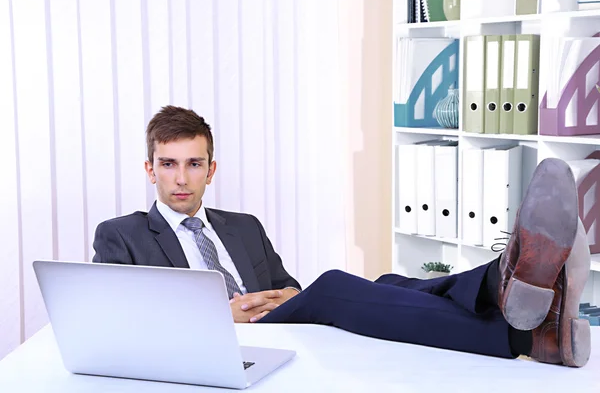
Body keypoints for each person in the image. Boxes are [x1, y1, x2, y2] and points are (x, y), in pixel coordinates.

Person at [259, 157, 592, 368]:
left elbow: (284, 284)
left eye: (202, 164)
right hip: (235, 337)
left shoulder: (242, 226)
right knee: (330, 287)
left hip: (273, 316)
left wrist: (290, 292)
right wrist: (219, 312)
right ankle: (519, 319)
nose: (201, 173)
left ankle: (509, 296)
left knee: (387, 282)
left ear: (212, 170)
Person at [92, 105, 301, 323]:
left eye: (194, 164)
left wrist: (288, 297)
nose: (181, 179)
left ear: (210, 171)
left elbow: (288, 288)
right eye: (168, 164)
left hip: (269, 345)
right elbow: (116, 317)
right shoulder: (121, 235)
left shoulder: (247, 227)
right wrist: (221, 316)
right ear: (151, 171)